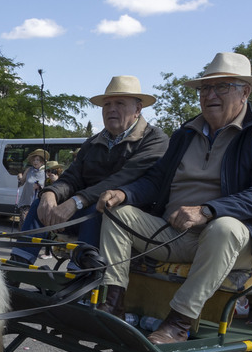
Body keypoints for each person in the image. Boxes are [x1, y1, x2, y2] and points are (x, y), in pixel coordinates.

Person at [95, 52, 252, 345]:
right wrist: (125, 193)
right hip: (173, 232)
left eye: (222, 87)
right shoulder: (186, 132)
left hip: (230, 241)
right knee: (117, 213)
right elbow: (156, 180)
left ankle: (177, 323)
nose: (210, 94)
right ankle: (112, 308)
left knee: (224, 227)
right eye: (205, 88)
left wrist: (209, 210)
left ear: (245, 92)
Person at [37, 75, 168, 248]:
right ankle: (18, 263)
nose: (111, 109)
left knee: (100, 209)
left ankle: (83, 269)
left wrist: (77, 201)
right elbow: (72, 177)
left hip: (127, 214)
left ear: (138, 109)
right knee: (41, 205)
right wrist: (51, 192)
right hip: (85, 209)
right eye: (107, 104)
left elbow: (123, 178)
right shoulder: (92, 142)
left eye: (119, 103)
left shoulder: (154, 139)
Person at [16, 149, 47, 222]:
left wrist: (39, 187)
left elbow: (47, 187)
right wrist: (20, 177)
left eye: (37, 160)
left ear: (42, 162)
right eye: (34, 160)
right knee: (24, 223)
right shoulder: (29, 170)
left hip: (38, 203)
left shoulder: (45, 173)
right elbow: (21, 183)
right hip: (26, 202)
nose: (35, 162)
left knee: (34, 224)